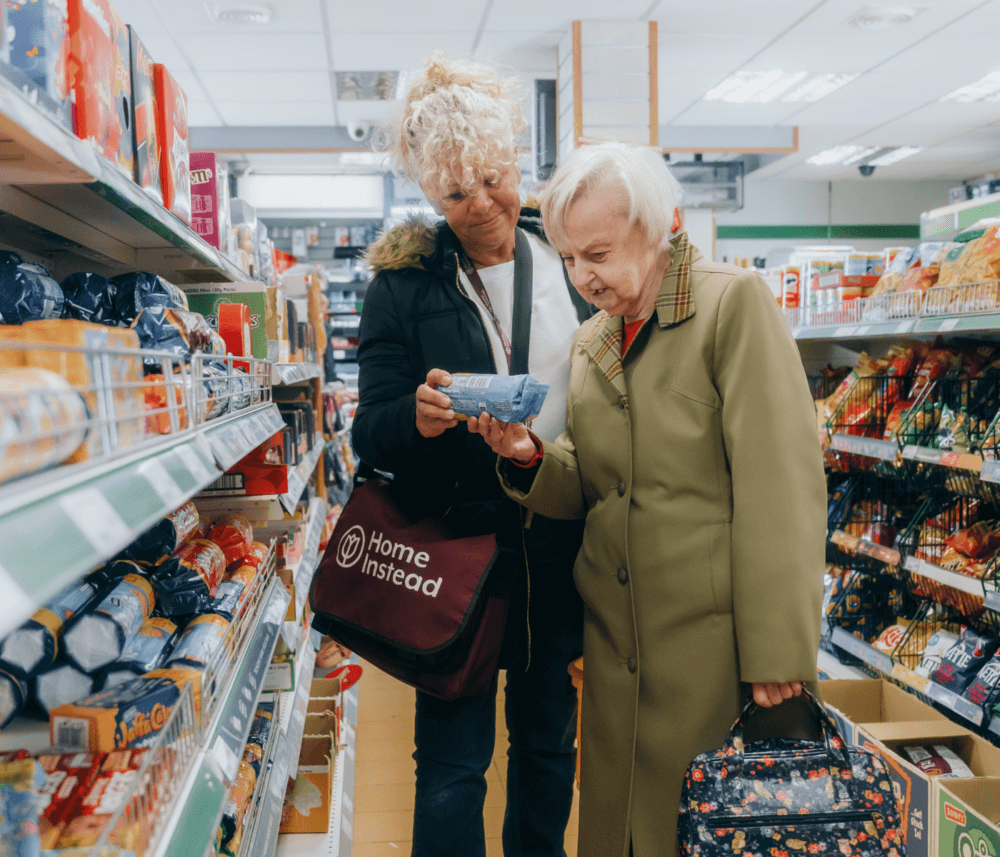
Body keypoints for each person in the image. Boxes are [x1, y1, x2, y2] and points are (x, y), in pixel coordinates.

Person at [469, 141, 827, 857]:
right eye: (569, 258)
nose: (582, 275)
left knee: (717, 832)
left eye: (596, 253)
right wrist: (531, 457)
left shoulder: (733, 307)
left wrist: (779, 652)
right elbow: (600, 484)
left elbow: (780, 485)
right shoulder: (591, 340)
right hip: (616, 651)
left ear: (659, 223)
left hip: (716, 656)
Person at [351, 52, 591, 857]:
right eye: (457, 192)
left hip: (557, 545)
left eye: (495, 178)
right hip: (454, 553)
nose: (483, 204)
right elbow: (368, 427)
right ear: (428, 193)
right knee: (452, 764)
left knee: (549, 745)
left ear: (517, 160)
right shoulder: (402, 287)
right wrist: (415, 419)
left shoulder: (569, 264)